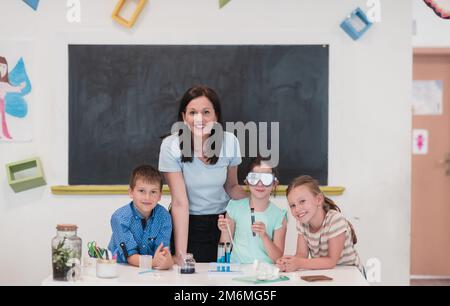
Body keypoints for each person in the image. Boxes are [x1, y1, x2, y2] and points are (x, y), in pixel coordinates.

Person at [159, 85, 247, 263]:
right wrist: (181, 254)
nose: (199, 118)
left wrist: (257, 200)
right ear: (184, 117)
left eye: (206, 112)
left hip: (224, 224)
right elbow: (179, 202)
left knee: (226, 277)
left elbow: (231, 186)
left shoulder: (230, 142)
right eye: (192, 112)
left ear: (216, 116)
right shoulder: (171, 146)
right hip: (188, 226)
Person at [276, 175, 362, 272]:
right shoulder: (302, 223)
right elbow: (301, 255)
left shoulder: (335, 220)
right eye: (292, 205)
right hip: (328, 274)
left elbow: (331, 261)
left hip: (351, 274)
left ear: (318, 199)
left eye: (302, 201)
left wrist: (299, 263)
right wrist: (288, 262)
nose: (297, 209)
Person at [218, 156, 287, 264]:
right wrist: (225, 231)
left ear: (274, 183)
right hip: (237, 272)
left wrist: (264, 236)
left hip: (265, 273)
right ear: (247, 181)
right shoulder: (234, 208)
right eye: (254, 178)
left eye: (266, 178)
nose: (260, 183)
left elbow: (278, 258)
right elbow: (225, 248)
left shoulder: (279, 216)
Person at [108, 165, 173, 270]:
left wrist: (165, 260)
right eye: (141, 191)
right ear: (131, 192)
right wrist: (154, 262)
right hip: (120, 268)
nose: (147, 197)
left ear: (160, 195)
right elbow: (130, 257)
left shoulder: (164, 217)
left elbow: (162, 252)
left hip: (150, 270)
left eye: (153, 192)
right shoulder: (119, 218)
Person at [0, 56, 25, 139]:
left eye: (4, 67)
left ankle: (3, 133)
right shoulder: (2, 84)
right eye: (0, 66)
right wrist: (19, 87)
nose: (2, 69)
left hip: (1, 102)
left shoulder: (4, 83)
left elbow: (11, 88)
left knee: (2, 118)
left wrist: (20, 87)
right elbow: (11, 88)